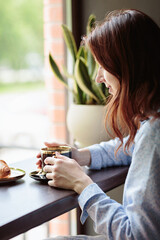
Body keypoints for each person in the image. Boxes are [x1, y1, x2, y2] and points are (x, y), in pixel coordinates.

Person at [37, 9, 160, 240]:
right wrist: (81, 156)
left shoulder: (155, 134)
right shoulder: (153, 125)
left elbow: (135, 235)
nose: (98, 78)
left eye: (103, 66)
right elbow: (134, 147)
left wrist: (81, 183)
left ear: (128, 68)